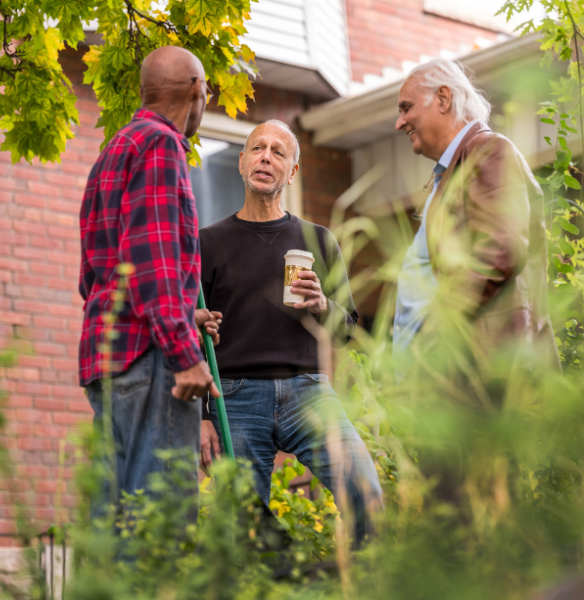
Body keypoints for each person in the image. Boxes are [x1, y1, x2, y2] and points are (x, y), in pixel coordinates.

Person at [199, 120, 383, 542]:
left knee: (365, 492)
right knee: (240, 527)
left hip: (309, 391)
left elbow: (345, 330)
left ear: (293, 170)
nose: (266, 157)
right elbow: (192, 336)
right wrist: (203, 417)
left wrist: (322, 304)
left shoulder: (318, 240)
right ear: (242, 161)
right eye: (257, 148)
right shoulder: (207, 243)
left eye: (278, 151)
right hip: (235, 396)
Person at [79, 46, 221, 513]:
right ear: (197, 89)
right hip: (151, 362)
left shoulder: (112, 153)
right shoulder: (160, 145)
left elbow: (95, 278)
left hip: (108, 359)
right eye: (209, 90)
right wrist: (184, 352)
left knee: (113, 526)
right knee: (159, 527)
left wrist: (183, 311)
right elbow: (155, 261)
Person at [393, 58, 560, 383]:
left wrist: (432, 335)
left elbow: (500, 250)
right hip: (449, 379)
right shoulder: (455, 168)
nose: (400, 123)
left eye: (406, 108)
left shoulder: (489, 151)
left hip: (480, 381)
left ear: (443, 99)